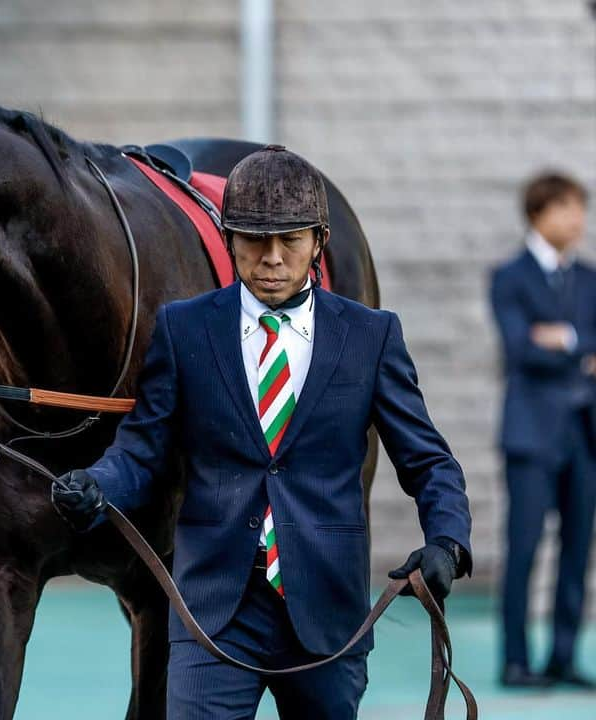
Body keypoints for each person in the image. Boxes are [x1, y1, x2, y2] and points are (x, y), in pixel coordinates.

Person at [51, 145, 473, 719]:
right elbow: (141, 449)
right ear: (229, 240)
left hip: (329, 614)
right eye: (254, 240)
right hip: (213, 611)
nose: (271, 258)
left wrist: (447, 539)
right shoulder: (183, 328)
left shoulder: (371, 337)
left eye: (290, 240)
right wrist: (98, 486)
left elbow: (428, 461)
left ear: (319, 242)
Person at [491, 172, 596, 688]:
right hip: (531, 435)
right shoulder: (510, 277)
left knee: (578, 551)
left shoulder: (591, 278)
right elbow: (519, 349)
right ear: (539, 213)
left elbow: (554, 345)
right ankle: (514, 660)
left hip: (585, 435)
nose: (578, 219)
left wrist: (564, 338)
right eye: (568, 208)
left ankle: (562, 656)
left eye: (580, 208)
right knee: (525, 548)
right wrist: (583, 350)